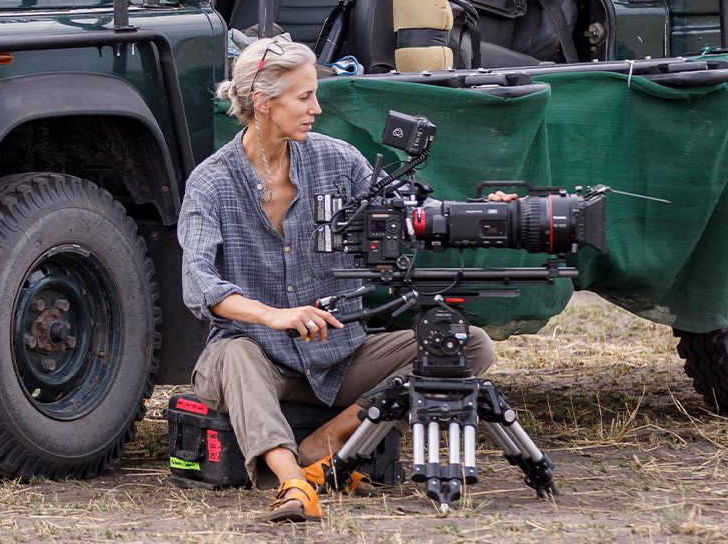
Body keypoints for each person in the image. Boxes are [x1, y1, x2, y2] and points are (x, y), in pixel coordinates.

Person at [178, 35, 497, 523]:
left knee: (468, 344)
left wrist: (480, 215)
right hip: (257, 361)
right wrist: (274, 317)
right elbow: (198, 282)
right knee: (235, 352)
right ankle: (292, 483)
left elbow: (407, 212)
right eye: (304, 96)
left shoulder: (338, 160)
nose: (316, 108)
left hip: (340, 353)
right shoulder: (211, 182)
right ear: (263, 103)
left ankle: (328, 442)